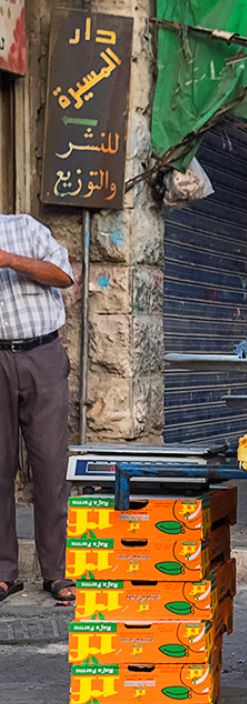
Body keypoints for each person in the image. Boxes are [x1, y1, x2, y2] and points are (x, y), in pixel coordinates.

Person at [0, 214, 76, 605]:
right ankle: (3, 573)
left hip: (41, 355)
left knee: (49, 466)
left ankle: (56, 572)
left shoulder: (23, 228)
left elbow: (63, 276)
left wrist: (9, 259)